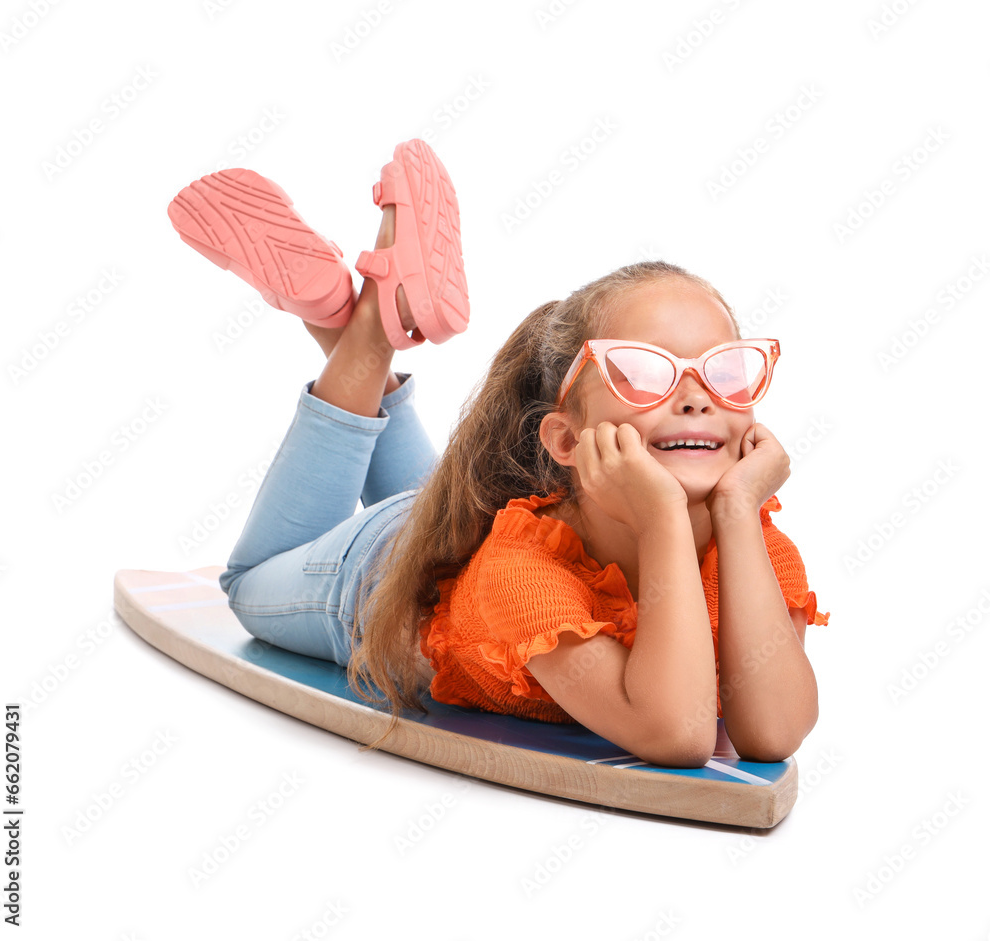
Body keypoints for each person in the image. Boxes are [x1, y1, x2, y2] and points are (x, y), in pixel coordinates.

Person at [168, 140, 829, 769]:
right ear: (566, 440)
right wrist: (659, 519)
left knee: (430, 514)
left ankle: (349, 318)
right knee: (246, 584)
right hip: (376, 576)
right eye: (645, 371)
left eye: (725, 369)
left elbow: (773, 732)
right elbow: (678, 733)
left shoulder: (759, 547)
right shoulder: (520, 579)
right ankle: (369, 328)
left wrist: (739, 509)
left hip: (456, 523)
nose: (696, 397)